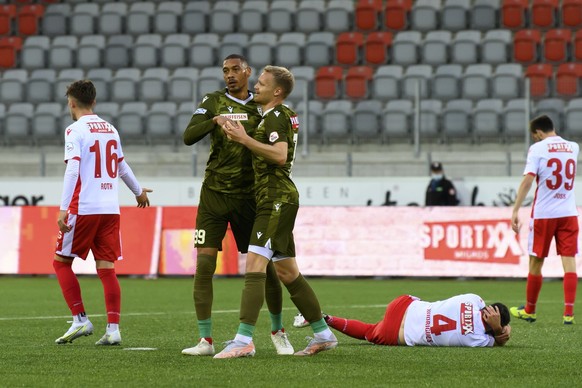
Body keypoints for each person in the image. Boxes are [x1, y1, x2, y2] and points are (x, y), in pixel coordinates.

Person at [214, 65, 338, 359]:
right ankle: (323, 334)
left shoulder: (277, 116)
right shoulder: (283, 114)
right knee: (287, 271)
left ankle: (243, 340)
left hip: (276, 197)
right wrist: (240, 134)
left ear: (277, 91)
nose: (255, 86)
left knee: (254, 265)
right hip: (278, 197)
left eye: (262, 83)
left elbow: (280, 155)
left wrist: (244, 139)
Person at [181, 54, 293, 356]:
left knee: (264, 267)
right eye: (225, 71)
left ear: (248, 72)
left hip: (250, 197)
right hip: (214, 195)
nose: (229, 75)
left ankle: (278, 330)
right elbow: (188, 136)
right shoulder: (213, 100)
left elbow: (277, 146)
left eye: (235, 70)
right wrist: (212, 120)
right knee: (204, 264)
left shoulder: (263, 108)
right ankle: (205, 340)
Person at [54, 80, 152, 345]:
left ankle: (80, 320)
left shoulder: (74, 130)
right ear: (94, 102)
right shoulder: (110, 129)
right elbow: (121, 165)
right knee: (107, 268)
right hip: (110, 209)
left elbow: (73, 169)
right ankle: (113, 329)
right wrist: (137, 191)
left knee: (60, 262)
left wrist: (64, 208)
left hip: (83, 208)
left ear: (71, 102)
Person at [510, 115, 579, 325]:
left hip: (544, 214)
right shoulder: (573, 147)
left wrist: (515, 210)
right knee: (569, 263)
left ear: (538, 133)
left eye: (535, 136)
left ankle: (530, 310)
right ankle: (568, 314)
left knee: (536, 261)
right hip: (568, 213)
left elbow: (528, 181)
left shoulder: (537, 149)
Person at [309, 293, 511, 347]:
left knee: (427, 304)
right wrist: (499, 329)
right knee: (368, 332)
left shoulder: (473, 299)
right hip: (397, 333)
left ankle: (324, 318)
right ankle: (325, 319)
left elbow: (478, 304)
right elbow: (499, 339)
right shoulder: (477, 339)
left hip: (403, 304)